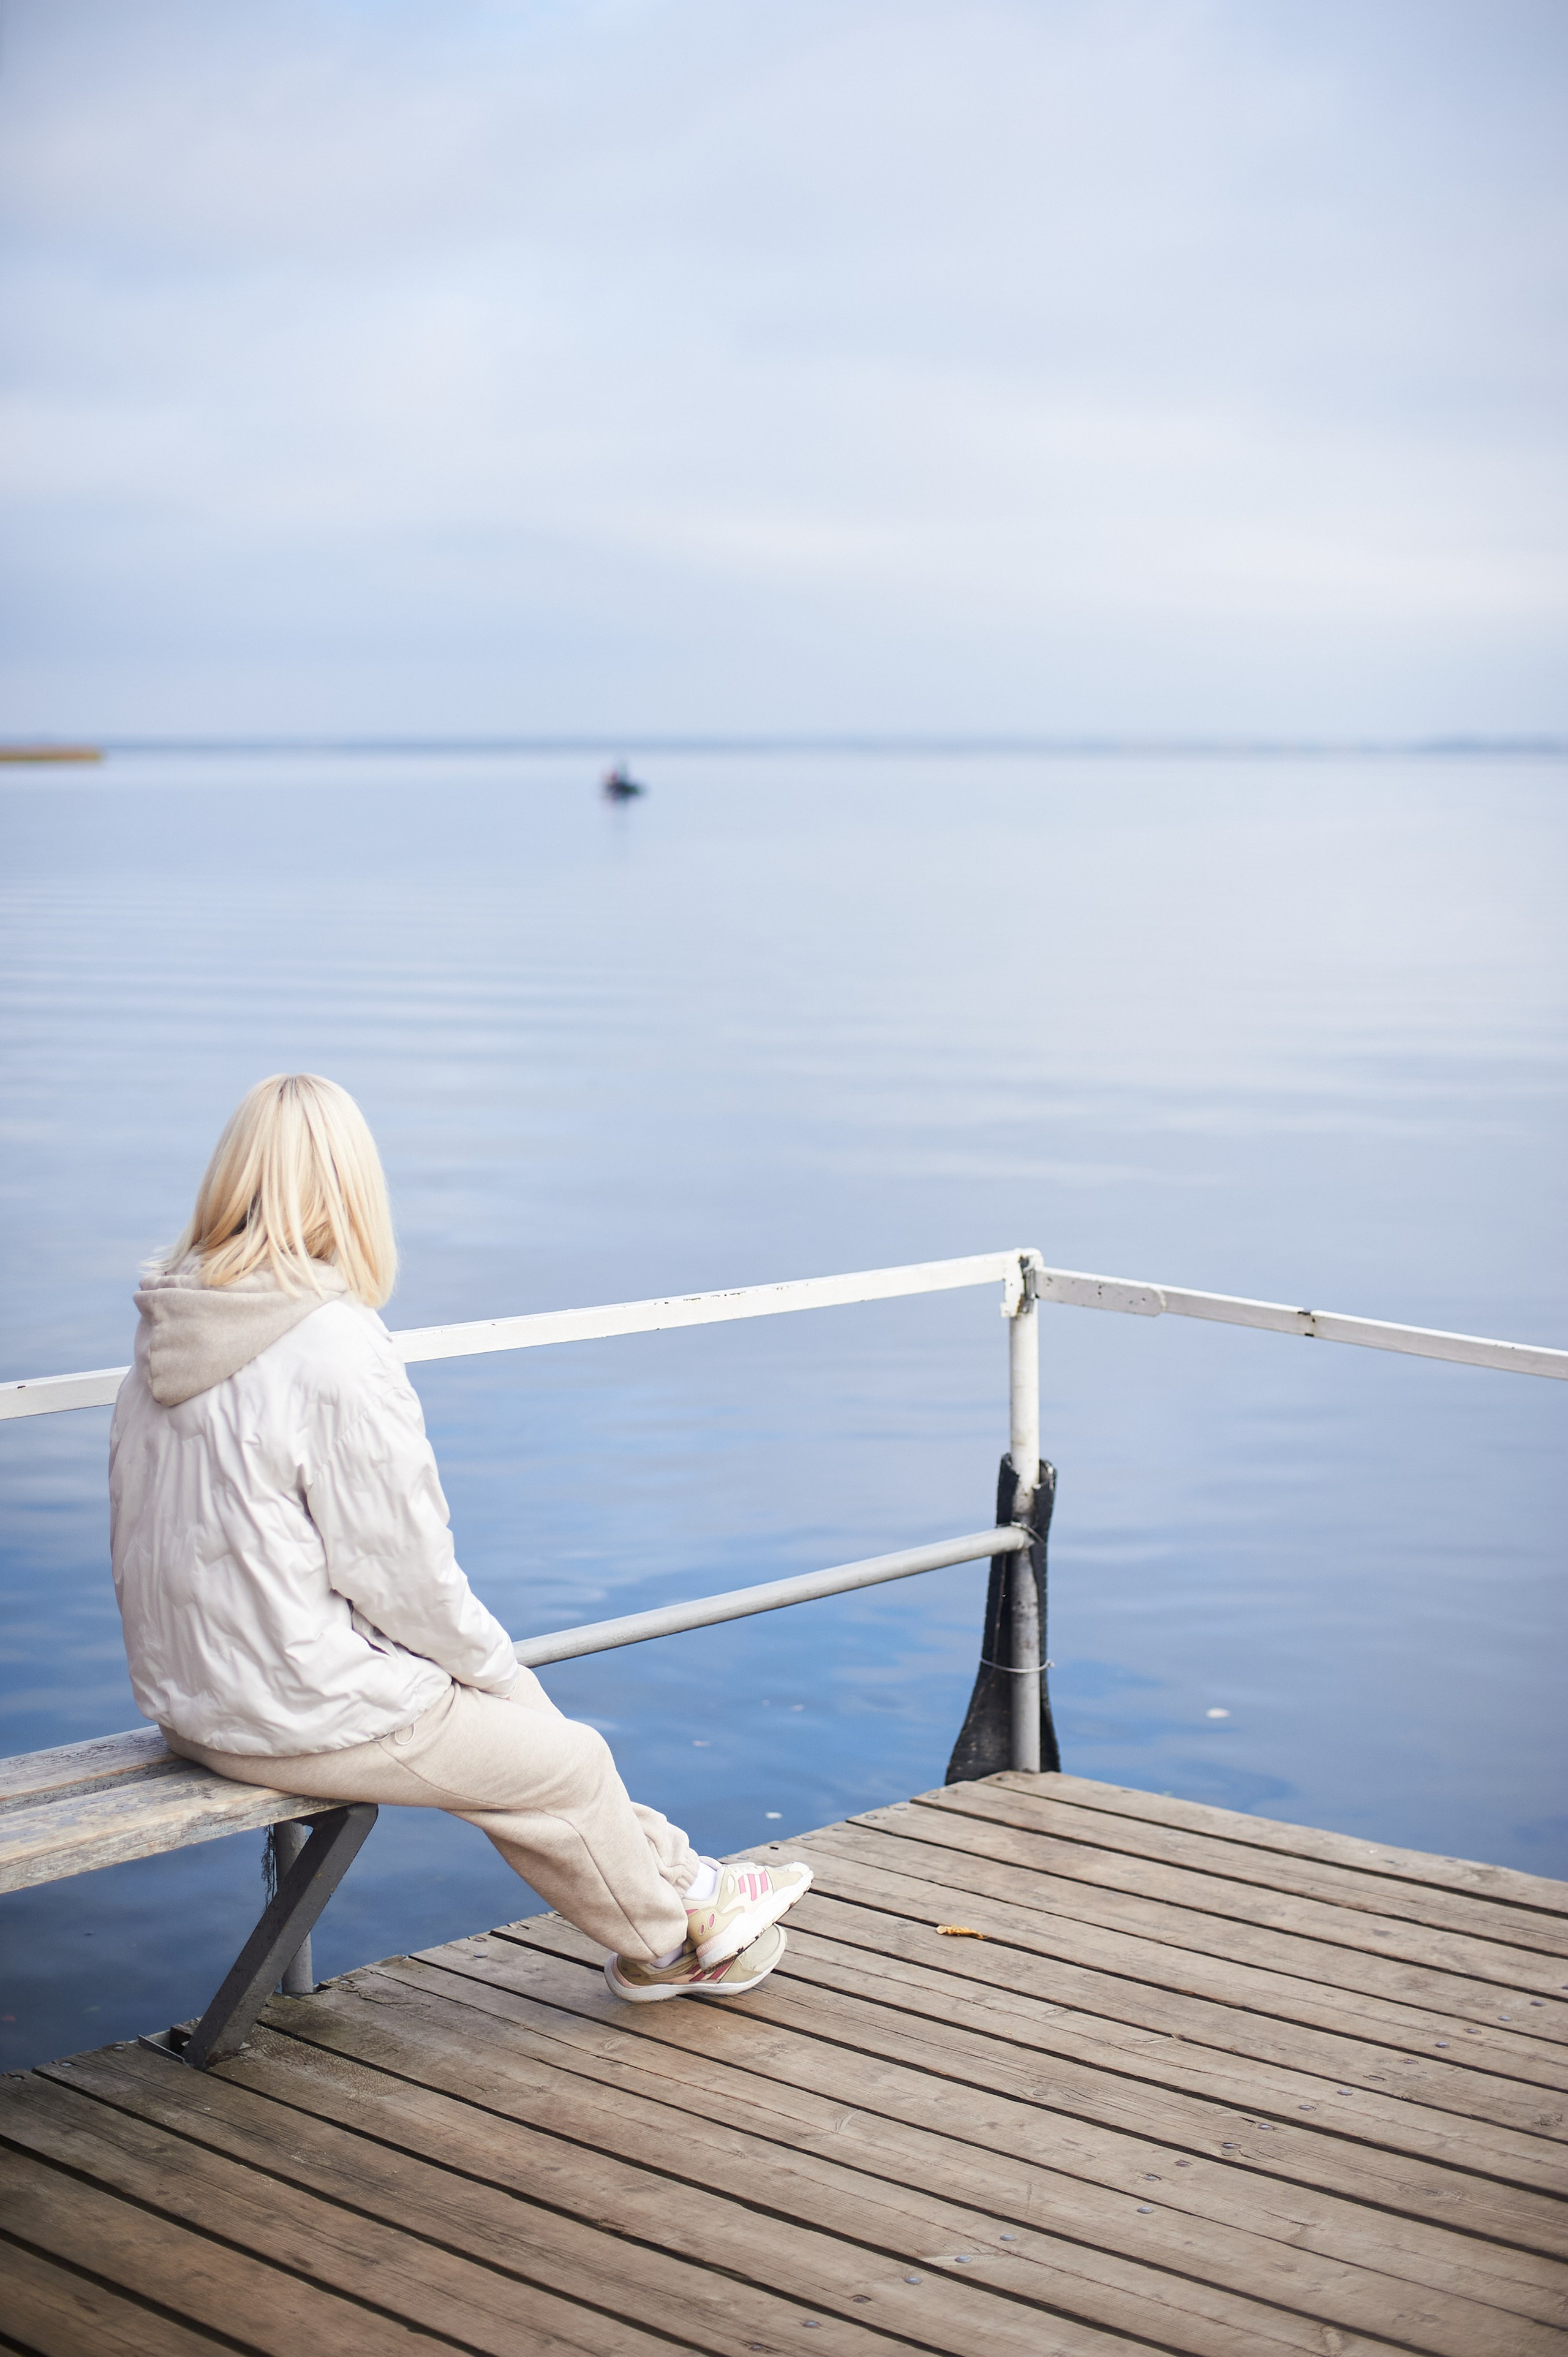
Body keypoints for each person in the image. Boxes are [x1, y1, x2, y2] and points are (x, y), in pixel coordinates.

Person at [108, 1073, 810, 2000]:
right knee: (565, 1757)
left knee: (524, 1721)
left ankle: (692, 1882)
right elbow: (400, 1573)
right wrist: (485, 1661)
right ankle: (673, 1943)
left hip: (196, 1698)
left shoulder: (171, 1334)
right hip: (291, 1711)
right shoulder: (333, 1348)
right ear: (352, 1189)